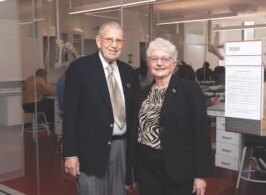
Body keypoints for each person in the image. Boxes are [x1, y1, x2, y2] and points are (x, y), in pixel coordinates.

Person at [126, 38, 213, 195]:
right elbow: (134, 132)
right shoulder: (142, 94)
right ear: (149, 63)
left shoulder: (189, 90)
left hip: (178, 168)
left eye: (165, 59)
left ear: (173, 64)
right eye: (154, 58)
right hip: (146, 169)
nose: (159, 63)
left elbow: (201, 133)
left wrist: (200, 174)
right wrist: (131, 171)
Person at [63, 21, 140, 195]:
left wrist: (133, 163)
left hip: (122, 148)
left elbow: (134, 118)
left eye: (119, 40)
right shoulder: (80, 68)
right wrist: (70, 154)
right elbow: (70, 114)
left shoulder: (129, 73)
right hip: (90, 150)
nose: (114, 45)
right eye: (109, 39)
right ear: (98, 41)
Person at [244, 69, 266, 170]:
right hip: (265, 137)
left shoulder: (250, 89)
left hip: (248, 135)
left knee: (263, 139)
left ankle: (257, 158)